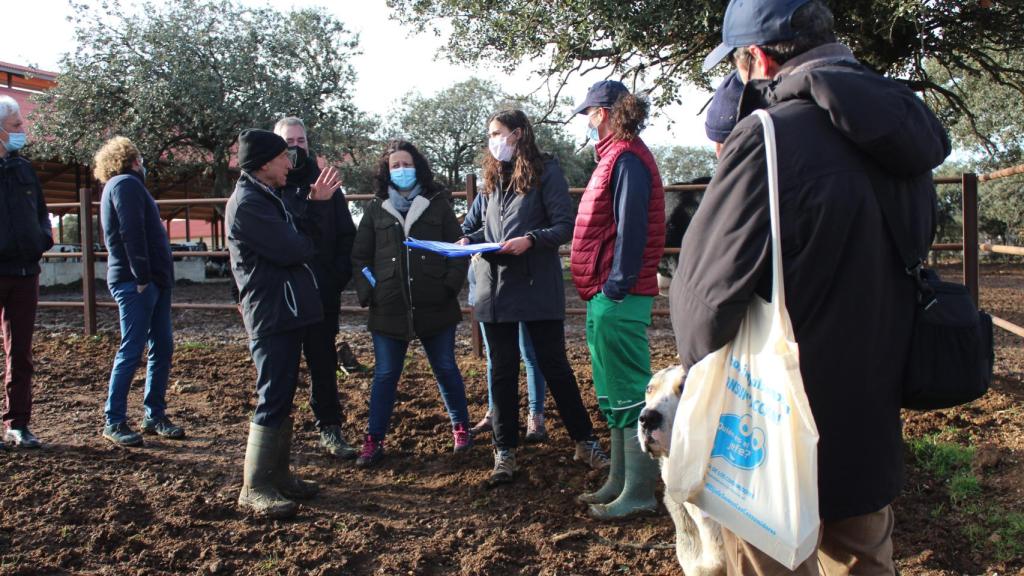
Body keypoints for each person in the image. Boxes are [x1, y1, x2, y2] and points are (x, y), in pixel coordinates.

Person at [672, 0, 949, 572]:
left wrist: (699, 369)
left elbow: (703, 304)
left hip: (775, 429)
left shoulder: (768, 137)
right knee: (865, 559)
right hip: (871, 417)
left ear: (758, 57)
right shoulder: (902, 135)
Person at [459, 109, 608, 485]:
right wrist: (466, 242)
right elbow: (476, 227)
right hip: (494, 289)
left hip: (536, 285)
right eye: (490, 134)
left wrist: (531, 240)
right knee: (502, 370)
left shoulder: (546, 172)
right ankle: (504, 452)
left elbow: (563, 225)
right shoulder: (491, 180)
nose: (493, 140)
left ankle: (585, 441)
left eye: (498, 133)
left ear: (519, 134)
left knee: (554, 365)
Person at [227, 128, 340, 518]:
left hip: (283, 308)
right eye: (281, 156)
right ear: (262, 164)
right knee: (273, 393)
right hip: (272, 311)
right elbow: (297, 248)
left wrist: (312, 206)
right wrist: (319, 206)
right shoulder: (249, 205)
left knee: (282, 391)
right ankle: (254, 486)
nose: (289, 163)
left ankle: (278, 475)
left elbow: (297, 241)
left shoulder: (265, 196)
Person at [570, 81, 666, 519]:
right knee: (612, 392)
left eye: (589, 113)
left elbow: (633, 227)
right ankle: (620, 481)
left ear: (605, 112)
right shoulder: (614, 156)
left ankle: (641, 492)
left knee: (629, 389)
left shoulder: (626, 158)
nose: (587, 121)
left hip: (618, 292)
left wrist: (616, 285)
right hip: (605, 291)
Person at [351, 139, 472, 467]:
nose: (401, 170)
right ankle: (373, 439)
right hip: (388, 308)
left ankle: (461, 427)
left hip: (436, 305)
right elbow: (360, 256)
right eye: (395, 166)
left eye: (407, 164)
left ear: (417, 166)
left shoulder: (438, 203)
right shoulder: (376, 208)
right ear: (386, 172)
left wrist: (449, 286)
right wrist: (371, 291)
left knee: (445, 367)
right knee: (386, 373)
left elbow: (457, 249)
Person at [273, 117, 358, 459]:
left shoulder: (326, 183)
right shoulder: (270, 185)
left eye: (302, 141)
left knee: (323, 362)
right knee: (281, 366)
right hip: (284, 297)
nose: (296, 147)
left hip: (321, 294)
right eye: (289, 141)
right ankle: (278, 433)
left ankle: (330, 427)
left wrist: (336, 279)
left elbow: (345, 236)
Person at [93, 137, 183, 447]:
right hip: (139, 282)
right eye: (141, 159)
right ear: (132, 160)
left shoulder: (124, 187)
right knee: (132, 349)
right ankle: (114, 420)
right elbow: (131, 231)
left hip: (152, 280)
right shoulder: (126, 185)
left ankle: (153, 414)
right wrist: (142, 275)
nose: (143, 164)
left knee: (162, 346)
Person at [463, 193, 548, 444]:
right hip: (490, 284)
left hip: (523, 283)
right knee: (496, 357)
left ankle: (536, 414)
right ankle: (494, 411)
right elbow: (470, 226)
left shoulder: (529, 194)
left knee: (530, 353)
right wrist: (470, 239)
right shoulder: (486, 193)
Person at [0, 95, 52, 449]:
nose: (22, 131)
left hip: (24, 271)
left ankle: (18, 423)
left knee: (20, 351)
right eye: (17, 125)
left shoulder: (24, 169)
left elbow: (41, 212)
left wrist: (42, 239)